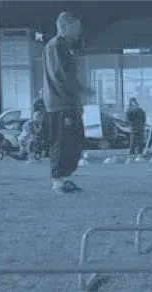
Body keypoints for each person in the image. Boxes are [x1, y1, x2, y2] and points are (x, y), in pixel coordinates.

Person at [42, 12, 94, 194]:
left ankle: (66, 178)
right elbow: (62, 75)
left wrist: (82, 90)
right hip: (60, 103)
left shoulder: (64, 46)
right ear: (64, 27)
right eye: (76, 27)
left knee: (75, 141)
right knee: (62, 141)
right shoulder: (56, 45)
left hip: (69, 102)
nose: (80, 31)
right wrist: (75, 92)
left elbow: (68, 75)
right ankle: (58, 180)